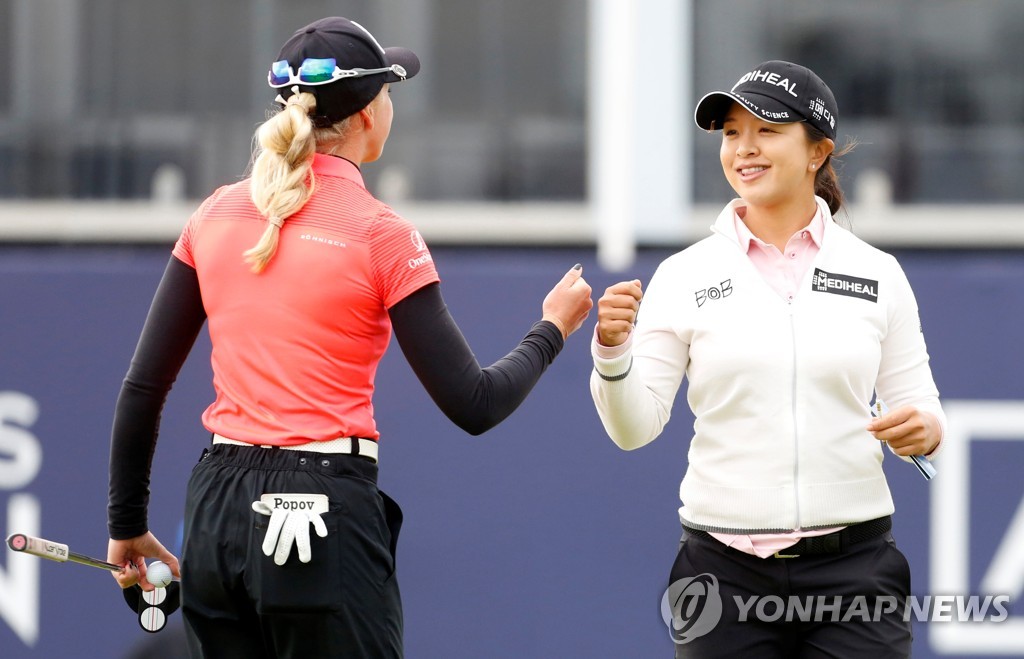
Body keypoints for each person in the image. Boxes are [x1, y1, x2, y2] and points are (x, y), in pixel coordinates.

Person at [105, 16, 592, 659]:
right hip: (318, 511)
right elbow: (475, 403)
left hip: (215, 513)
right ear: (367, 114)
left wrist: (127, 525)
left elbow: (143, 387)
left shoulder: (214, 213)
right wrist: (552, 328)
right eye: (389, 92)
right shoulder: (380, 232)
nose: (391, 106)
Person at [590, 60, 944, 658]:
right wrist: (612, 351)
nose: (744, 149)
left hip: (856, 571)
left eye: (767, 131)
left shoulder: (878, 273)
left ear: (817, 152)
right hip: (721, 576)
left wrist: (925, 429)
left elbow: (919, 403)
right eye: (732, 133)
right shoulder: (683, 275)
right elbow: (633, 429)